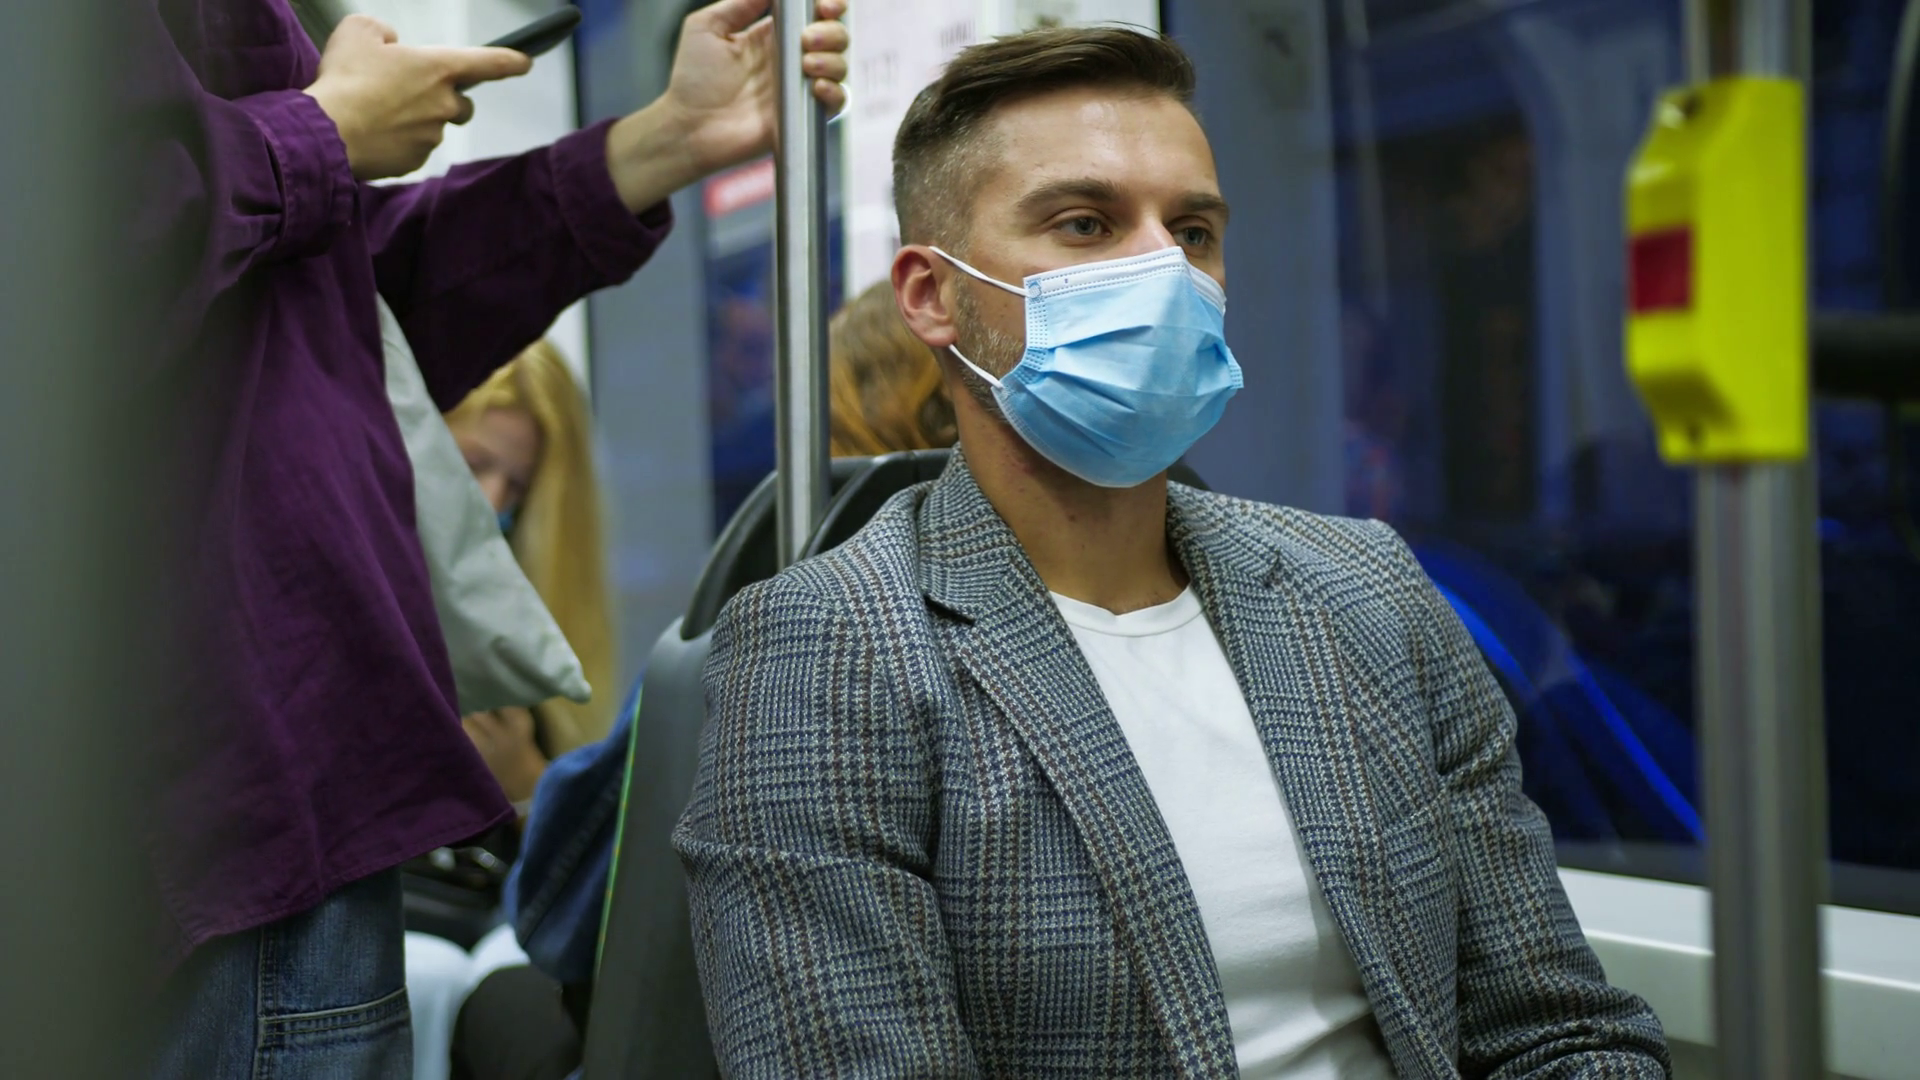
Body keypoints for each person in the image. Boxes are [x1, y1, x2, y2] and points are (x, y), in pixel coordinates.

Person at [674, 26, 1670, 1078]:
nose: (1161, 269)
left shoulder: (1365, 592)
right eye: (1085, 222)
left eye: (1192, 232)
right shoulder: (826, 653)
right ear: (931, 295)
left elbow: (1555, 1028)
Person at [135, 0, 848, 1076]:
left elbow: (326, 313)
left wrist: (662, 141)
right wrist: (321, 134)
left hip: (273, 785)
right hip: (192, 798)